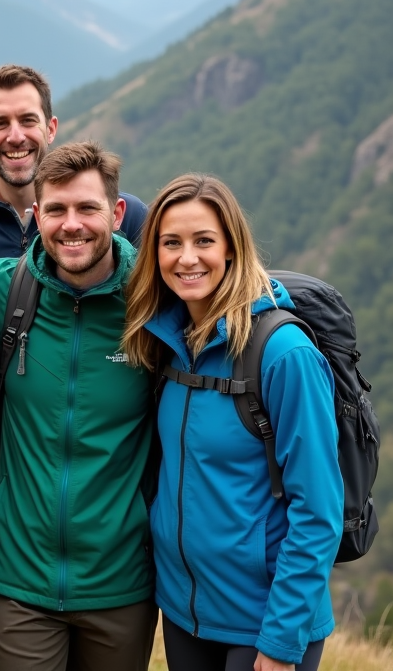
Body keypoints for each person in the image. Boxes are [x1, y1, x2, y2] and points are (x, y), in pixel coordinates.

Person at [122, 173, 342, 671]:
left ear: (232, 249)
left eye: (204, 241)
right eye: (171, 243)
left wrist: (281, 642)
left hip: (263, 624)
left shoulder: (283, 354)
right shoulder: (171, 343)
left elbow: (318, 511)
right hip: (186, 617)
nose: (187, 258)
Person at [0, 141, 157, 671]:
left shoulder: (154, 300)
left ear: (116, 214)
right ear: (36, 215)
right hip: (18, 581)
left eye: (87, 208)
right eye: (56, 210)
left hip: (120, 583)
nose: (72, 225)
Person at [0, 64, 147, 270]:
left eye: (28, 120)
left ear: (51, 129)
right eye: (0, 123)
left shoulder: (130, 217)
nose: (16, 137)